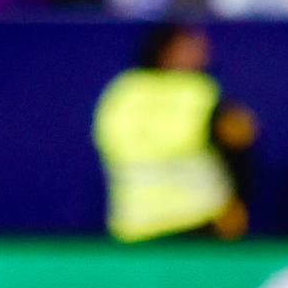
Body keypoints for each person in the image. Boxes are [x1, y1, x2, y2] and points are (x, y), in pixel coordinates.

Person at [93, 25, 256, 243]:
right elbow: (238, 146)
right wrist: (237, 202)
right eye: (189, 48)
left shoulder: (120, 92)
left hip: (134, 226)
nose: (202, 55)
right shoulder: (200, 93)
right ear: (165, 51)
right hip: (196, 223)